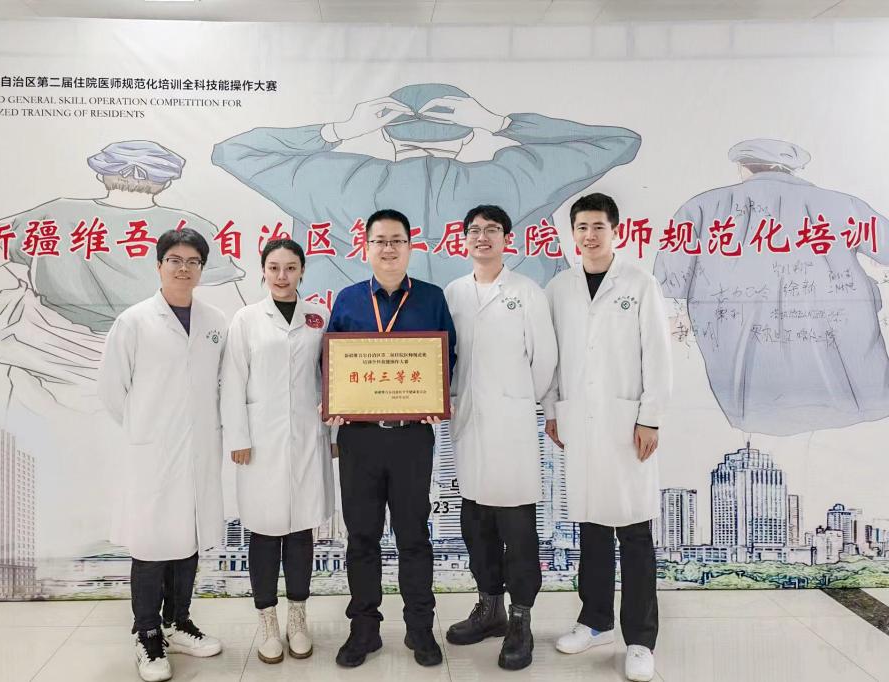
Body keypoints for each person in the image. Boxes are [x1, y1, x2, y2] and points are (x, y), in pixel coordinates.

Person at [0, 140, 244, 560]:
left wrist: (19, 297)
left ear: (102, 172)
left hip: (48, 361)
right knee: (155, 505)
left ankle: (53, 559)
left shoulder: (54, 215)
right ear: (166, 180)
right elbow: (230, 310)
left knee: (48, 481)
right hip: (152, 382)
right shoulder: (189, 229)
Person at [212, 82, 642, 293]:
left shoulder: (338, 181)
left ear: (386, 132)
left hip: (381, 361)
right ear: (467, 133)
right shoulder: (512, 179)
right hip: (492, 359)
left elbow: (233, 151)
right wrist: (499, 123)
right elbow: (619, 141)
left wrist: (339, 130)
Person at [653, 138, 889, 437]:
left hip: (751, 398)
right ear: (792, 169)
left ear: (743, 167)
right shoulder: (843, 205)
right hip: (858, 394)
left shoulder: (700, 207)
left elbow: (668, 281)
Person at [544, 194, 672, 682]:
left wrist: (650, 418)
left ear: (615, 231)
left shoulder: (639, 284)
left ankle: (639, 639)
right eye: (582, 227)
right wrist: (553, 411)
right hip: (580, 422)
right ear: (572, 234)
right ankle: (595, 621)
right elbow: (552, 357)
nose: (589, 235)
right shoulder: (559, 288)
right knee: (591, 527)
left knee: (634, 531)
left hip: (627, 424)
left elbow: (657, 354)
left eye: (598, 226)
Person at [325, 209, 457, 668]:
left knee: (414, 537)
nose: (388, 248)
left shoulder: (432, 298)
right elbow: (330, 364)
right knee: (362, 537)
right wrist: (337, 398)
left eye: (397, 240)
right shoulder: (347, 300)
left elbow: (448, 356)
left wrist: (435, 393)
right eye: (379, 240)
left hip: (411, 438)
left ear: (409, 247)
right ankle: (364, 630)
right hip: (359, 439)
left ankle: (420, 629)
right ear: (366, 248)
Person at [98, 228, 227, 682]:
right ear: (158, 265)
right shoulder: (134, 321)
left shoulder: (215, 322)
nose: (183, 268)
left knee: (188, 539)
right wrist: (148, 429)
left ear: (201, 269)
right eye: (174, 259)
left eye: (193, 261)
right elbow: (112, 390)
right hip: (153, 453)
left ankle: (178, 622)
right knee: (152, 545)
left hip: (198, 451)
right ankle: (147, 633)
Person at [443, 205, 557, 670]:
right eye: (474, 230)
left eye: (492, 230)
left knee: (517, 528)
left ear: (507, 238)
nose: (482, 237)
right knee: (476, 522)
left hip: (512, 425)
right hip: (469, 423)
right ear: (464, 240)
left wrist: (516, 398)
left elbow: (544, 360)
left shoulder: (526, 292)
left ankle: (520, 618)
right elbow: (445, 355)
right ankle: (489, 608)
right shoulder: (453, 293)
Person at [220, 239, 335, 664]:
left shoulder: (318, 316)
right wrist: (238, 436)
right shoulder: (247, 319)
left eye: (290, 267)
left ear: (302, 270)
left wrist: (333, 433)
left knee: (302, 529)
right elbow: (233, 379)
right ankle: (268, 621)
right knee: (265, 532)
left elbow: (330, 377)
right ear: (263, 271)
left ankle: (297, 618)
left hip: (307, 435)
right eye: (274, 267)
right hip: (260, 440)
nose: (282, 276)